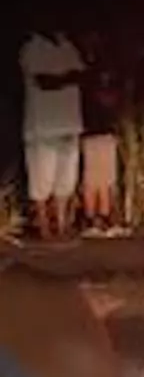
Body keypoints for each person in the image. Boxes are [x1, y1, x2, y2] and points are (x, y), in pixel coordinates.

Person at [20, 26, 87, 240]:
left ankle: (62, 223)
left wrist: (64, 78)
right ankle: (44, 226)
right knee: (41, 180)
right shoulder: (33, 47)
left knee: (66, 180)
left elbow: (82, 75)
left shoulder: (68, 45)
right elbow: (43, 81)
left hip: (70, 123)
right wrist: (68, 77)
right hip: (43, 127)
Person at [80, 61, 123, 238]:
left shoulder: (96, 91)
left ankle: (102, 221)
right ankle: (93, 222)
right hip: (94, 137)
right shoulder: (92, 92)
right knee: (93, 182)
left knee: (105, 182)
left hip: (103, 137)